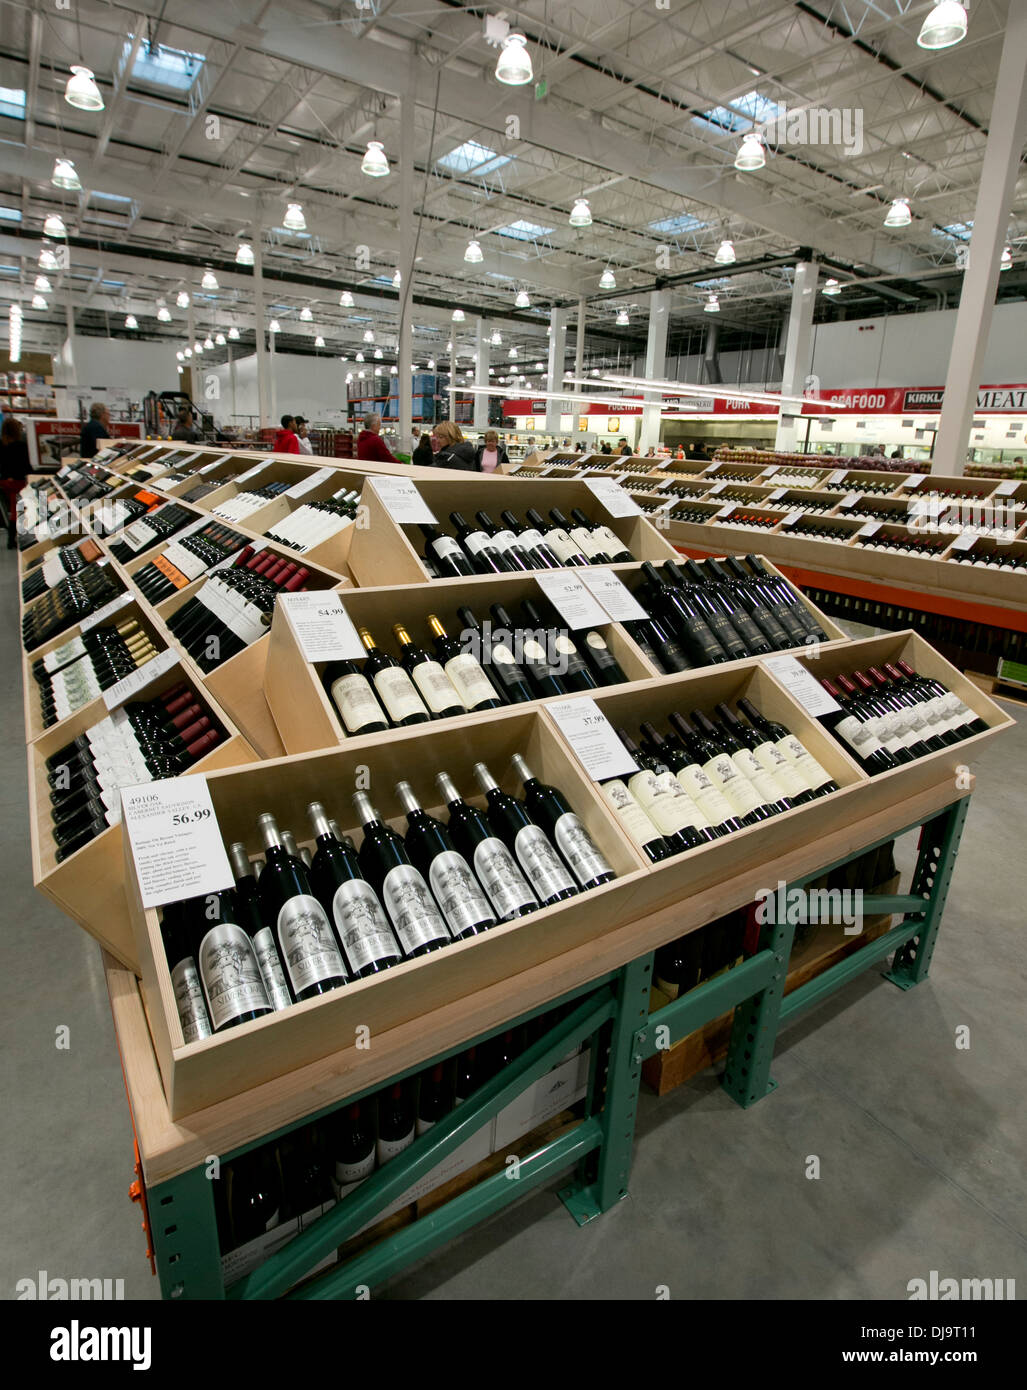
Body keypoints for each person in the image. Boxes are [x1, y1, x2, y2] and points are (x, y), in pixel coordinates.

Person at [0, 416, 30, 548]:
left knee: (14, 508)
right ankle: (17, 538)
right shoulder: (21, 446)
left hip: (5, 482)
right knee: (18, 509)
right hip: (18, 483)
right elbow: (25, 467)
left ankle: (12, 538)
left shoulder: (2, 444)